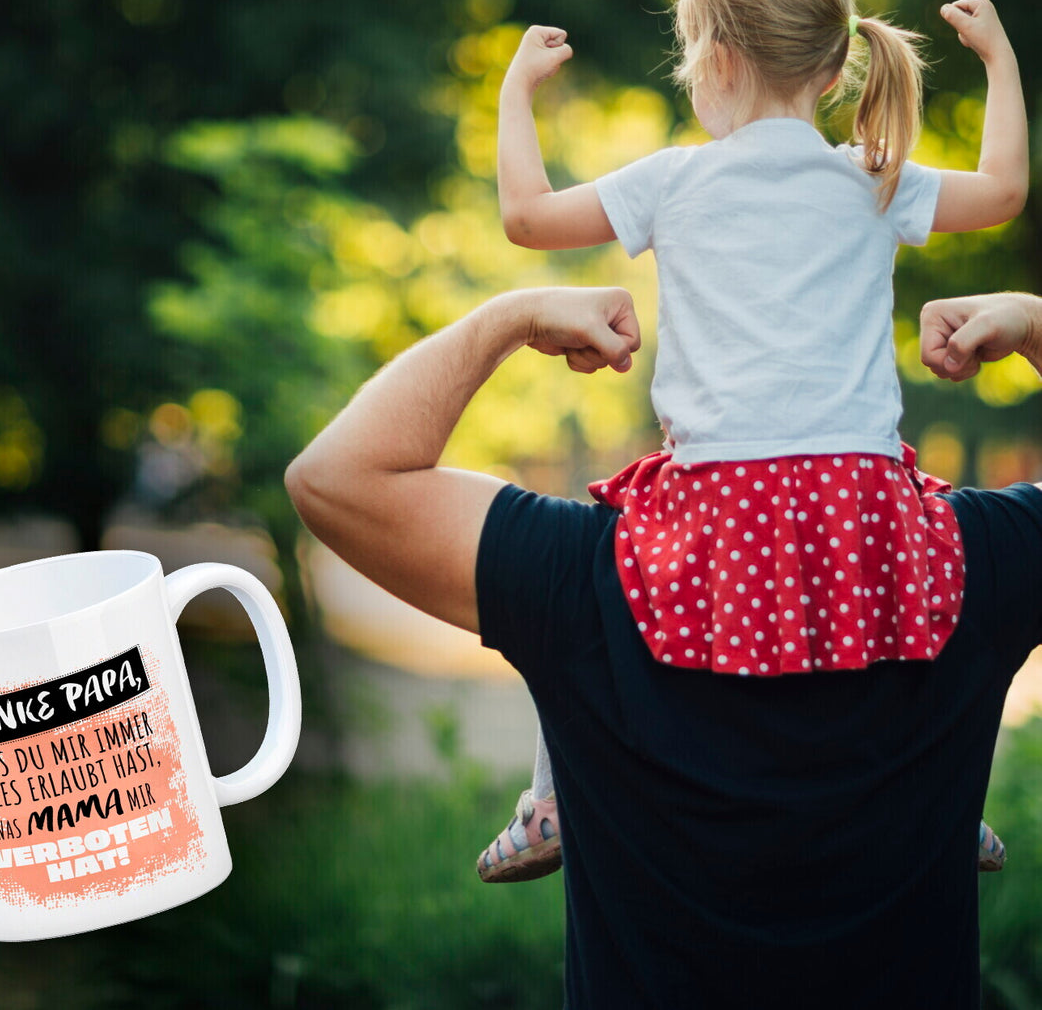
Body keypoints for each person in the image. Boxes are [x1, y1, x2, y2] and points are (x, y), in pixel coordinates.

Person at [285, 286, 1042, 1010]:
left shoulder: (588, 572)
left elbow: (335, 477)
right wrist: (1036, 325)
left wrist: (507, 320)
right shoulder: (965, 562)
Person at [479, 0, 1026, 881]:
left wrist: (514, 88)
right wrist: (997, 62)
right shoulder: (873, 175)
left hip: (716, 496)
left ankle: (552, 800)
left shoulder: (672, 181)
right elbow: (1002, 189)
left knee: (584, 582)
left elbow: (524, 216)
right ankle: (951, 799)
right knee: (934, 587)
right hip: (858, 492)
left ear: (713, 61)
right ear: (831, 66)